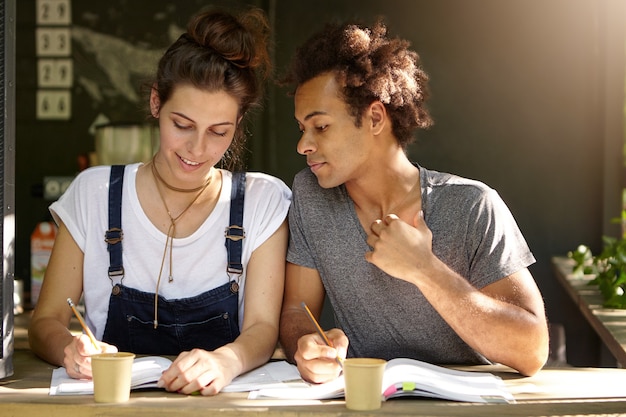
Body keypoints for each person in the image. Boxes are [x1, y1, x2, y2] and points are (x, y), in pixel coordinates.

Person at [28, 8, 291, 396]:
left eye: (219, 132)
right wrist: (70, 347)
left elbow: (263, 329)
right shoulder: (95, 194)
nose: (197, 149)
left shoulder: (261, 201)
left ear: (237, 126)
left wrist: (226, 360)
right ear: (156, 103)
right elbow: (44, 321)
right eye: (181, 125)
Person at [278, 18, 549, 384]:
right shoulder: (311, 196)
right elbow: (297, 309)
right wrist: (306, 345)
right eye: (301, 128)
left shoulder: (472, 207)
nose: (303, 145)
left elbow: (532, 351)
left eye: (321, 127)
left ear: (375, 117)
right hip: (367, 402)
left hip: (466, 405)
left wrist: (425, 270)